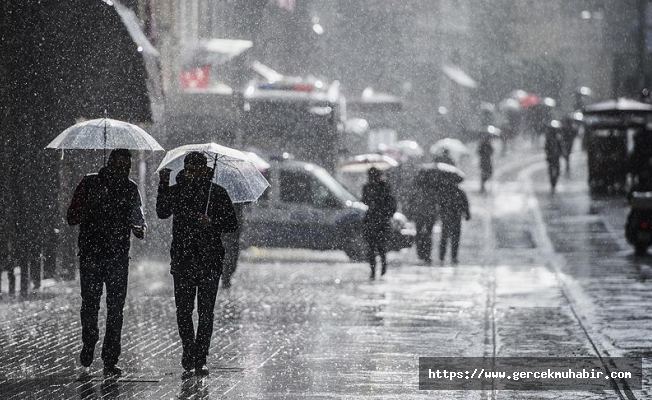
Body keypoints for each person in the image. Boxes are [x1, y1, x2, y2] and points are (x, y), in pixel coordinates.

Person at [156, 152, 238, 378]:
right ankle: (188, 350)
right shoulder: (178, 190)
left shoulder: (217, 193)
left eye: (196, 169)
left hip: (209, 259)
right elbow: (162, 212)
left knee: (205, 312)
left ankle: (200, 356)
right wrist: (163, 184)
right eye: (189, 169)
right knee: (184, 310)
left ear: (204, 169)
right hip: (183, 259)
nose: (191, 173)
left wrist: (212, 222)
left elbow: (231, 223)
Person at [66, 149, 146, 377]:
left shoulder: (130, 189)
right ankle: (89, 340)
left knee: (115, 310)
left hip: (118, 257)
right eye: (119, 165)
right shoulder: (89, 183)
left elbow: (138, 218)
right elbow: (71, 217)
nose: (123, 170)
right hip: (91, 255)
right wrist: (94, 201)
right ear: (109, 163)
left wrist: (139, 229)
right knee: (90, 305)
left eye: (127, 166)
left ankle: (110, 358)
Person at [361, 167, 397, 279]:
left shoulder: (384, 187)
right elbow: (364, 200)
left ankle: (383, 265)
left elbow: (391, 203)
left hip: (381, 221)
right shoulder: (367, 187)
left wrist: (385, 213)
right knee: (371, 248)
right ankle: (373, 270)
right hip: (371, 220)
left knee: (381, 247)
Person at [405, 169, 439, 263]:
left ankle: (421, 253)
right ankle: (426, 254)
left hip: (420, 214)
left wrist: (410, 213)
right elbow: (435, 202)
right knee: (427, 235)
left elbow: (411, 202)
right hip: (428, 214)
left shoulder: (417, 188)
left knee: (420, 234)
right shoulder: (432, 188)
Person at [437, 183, 471, 264]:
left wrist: (441, 214)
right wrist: (467, 214)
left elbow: (440, 205)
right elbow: (465, 204)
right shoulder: (460, 192)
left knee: (444, 237)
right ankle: (454, 257)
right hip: (456, 218)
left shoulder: (444, 191)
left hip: (446, 218)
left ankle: (442, 256)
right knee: (455, 238)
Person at [221, 203, 244, 289]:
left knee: (231, 255)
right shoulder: (238, 200)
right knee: (230, 255)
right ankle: (226, 275)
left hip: (232, 233)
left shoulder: (238, 203)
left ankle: (226, 275)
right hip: (229, 233)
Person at [545, 123, 563, 194]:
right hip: (551, 158)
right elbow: (546, 148)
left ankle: (553, 183)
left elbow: (561, 147)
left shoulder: (558, 138)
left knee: (556, 171)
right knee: (552, 171)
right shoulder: (549, 138)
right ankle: (553, 183)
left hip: (555, 157)